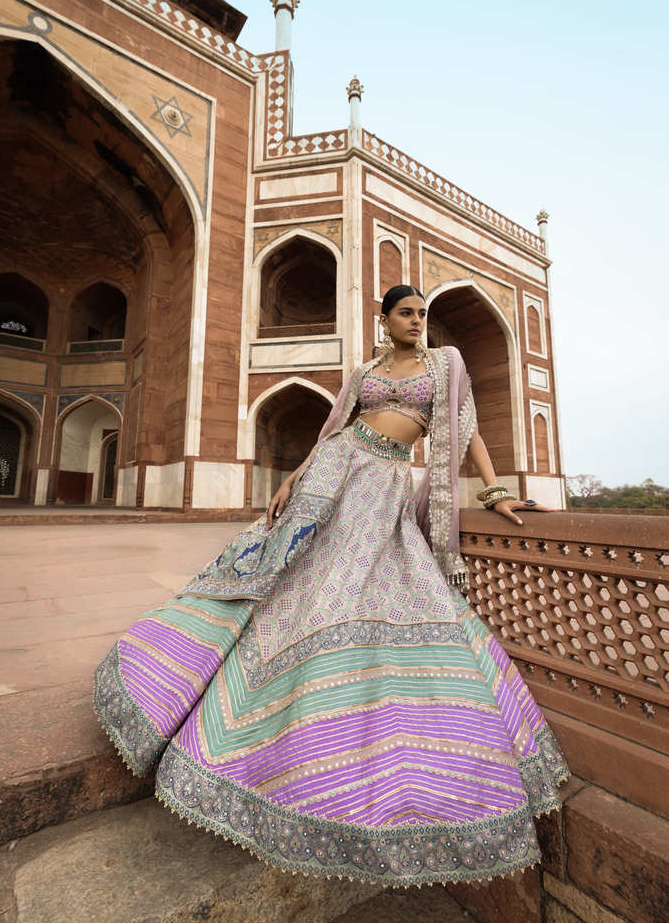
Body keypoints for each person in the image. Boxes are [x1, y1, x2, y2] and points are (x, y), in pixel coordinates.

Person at [94, 284, 570, 888]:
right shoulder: (365, 370)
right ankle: (193, 690)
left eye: (424, 313)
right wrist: (293, 476)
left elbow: (468, 427)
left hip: (384, 485)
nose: (419, 320)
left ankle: (320, 720)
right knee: (282, 570)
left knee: (347, 586)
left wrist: (496, 490)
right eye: (407, 312)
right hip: (334, 467)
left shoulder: (445, 365)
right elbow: (331, 429)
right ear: (385, 319)